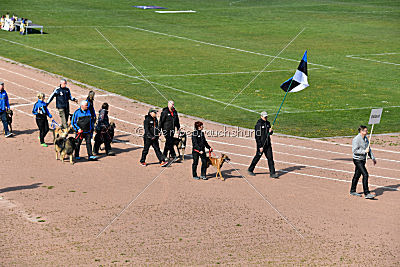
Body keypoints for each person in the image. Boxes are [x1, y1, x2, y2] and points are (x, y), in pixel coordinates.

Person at [247, 111, 278, 178]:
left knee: (270, 158)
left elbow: (269, 133)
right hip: (261, 145)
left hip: (268, 144)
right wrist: (260, 146)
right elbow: (257, 137)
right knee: (257, 157)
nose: (266, 118)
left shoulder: (268, 123)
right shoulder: (258, 125)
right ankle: (250, 169)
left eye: (266, 116)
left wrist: (271, 131)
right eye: (264, 117)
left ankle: (272, 173)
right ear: (261, 116)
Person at [350, 125, 376, 199]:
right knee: (365, 174)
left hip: (363, 159)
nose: (367, 132)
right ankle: (366, 193)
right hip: (357, 160)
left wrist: (373, 158)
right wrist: (364, 151)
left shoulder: (366, 139)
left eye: (367, 130)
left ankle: (352, 190)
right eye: (365, 130)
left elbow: (368, 149)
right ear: (361, 131)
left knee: (357, 175)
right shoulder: (356, 139)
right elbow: (354, 151)